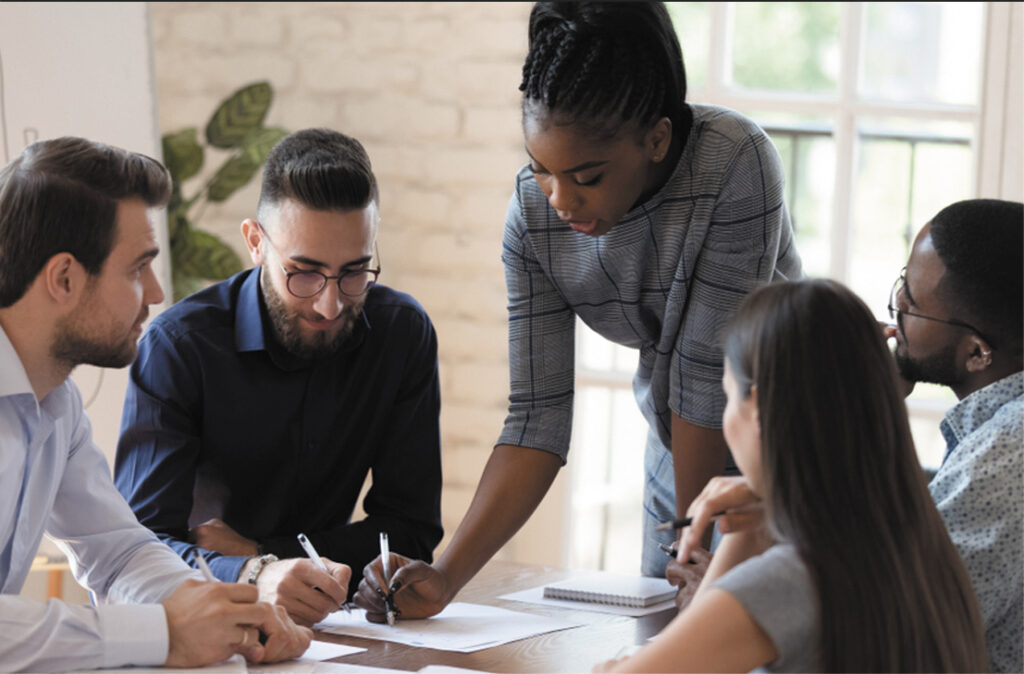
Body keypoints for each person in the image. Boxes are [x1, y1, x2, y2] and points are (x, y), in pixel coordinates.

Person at [355, 1, 801, 620]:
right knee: (670, 633)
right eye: (541, 170)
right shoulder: (533, 219)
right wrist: (447, 575)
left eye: (587, 175)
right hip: (679, 453)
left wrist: (689, 541)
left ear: (656, 139)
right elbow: (537, 417)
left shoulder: (733, 162)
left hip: (790, 451)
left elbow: (706, 385)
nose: (561, 198)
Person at [0, 137, 310, 670]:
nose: (156, 292)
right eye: (136, 268)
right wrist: (159, 632)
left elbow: (118, 551)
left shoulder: (55, 402)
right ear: (65, 279)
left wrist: (225, 616)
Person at [114, 128, 444, 628]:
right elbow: (138, 550)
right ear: (255, 242)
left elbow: (411, 530)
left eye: (354, 273)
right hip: (201, 630)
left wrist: (262, 555)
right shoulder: (179, 348)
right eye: (304, 272)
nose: (330, 304)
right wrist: (252, 573)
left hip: (335, 633)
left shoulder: (401, 333)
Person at [596, 279, 989, 672]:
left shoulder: (793, 577)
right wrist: (749, 524)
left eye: (728, 396)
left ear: (761, 415)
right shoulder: (921, 547)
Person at [883, 198, 1022, 673]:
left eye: (913, 303)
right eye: (904, 282)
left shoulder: (1007, 452)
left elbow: (895, 639)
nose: (897, 306)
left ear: (978, 352)